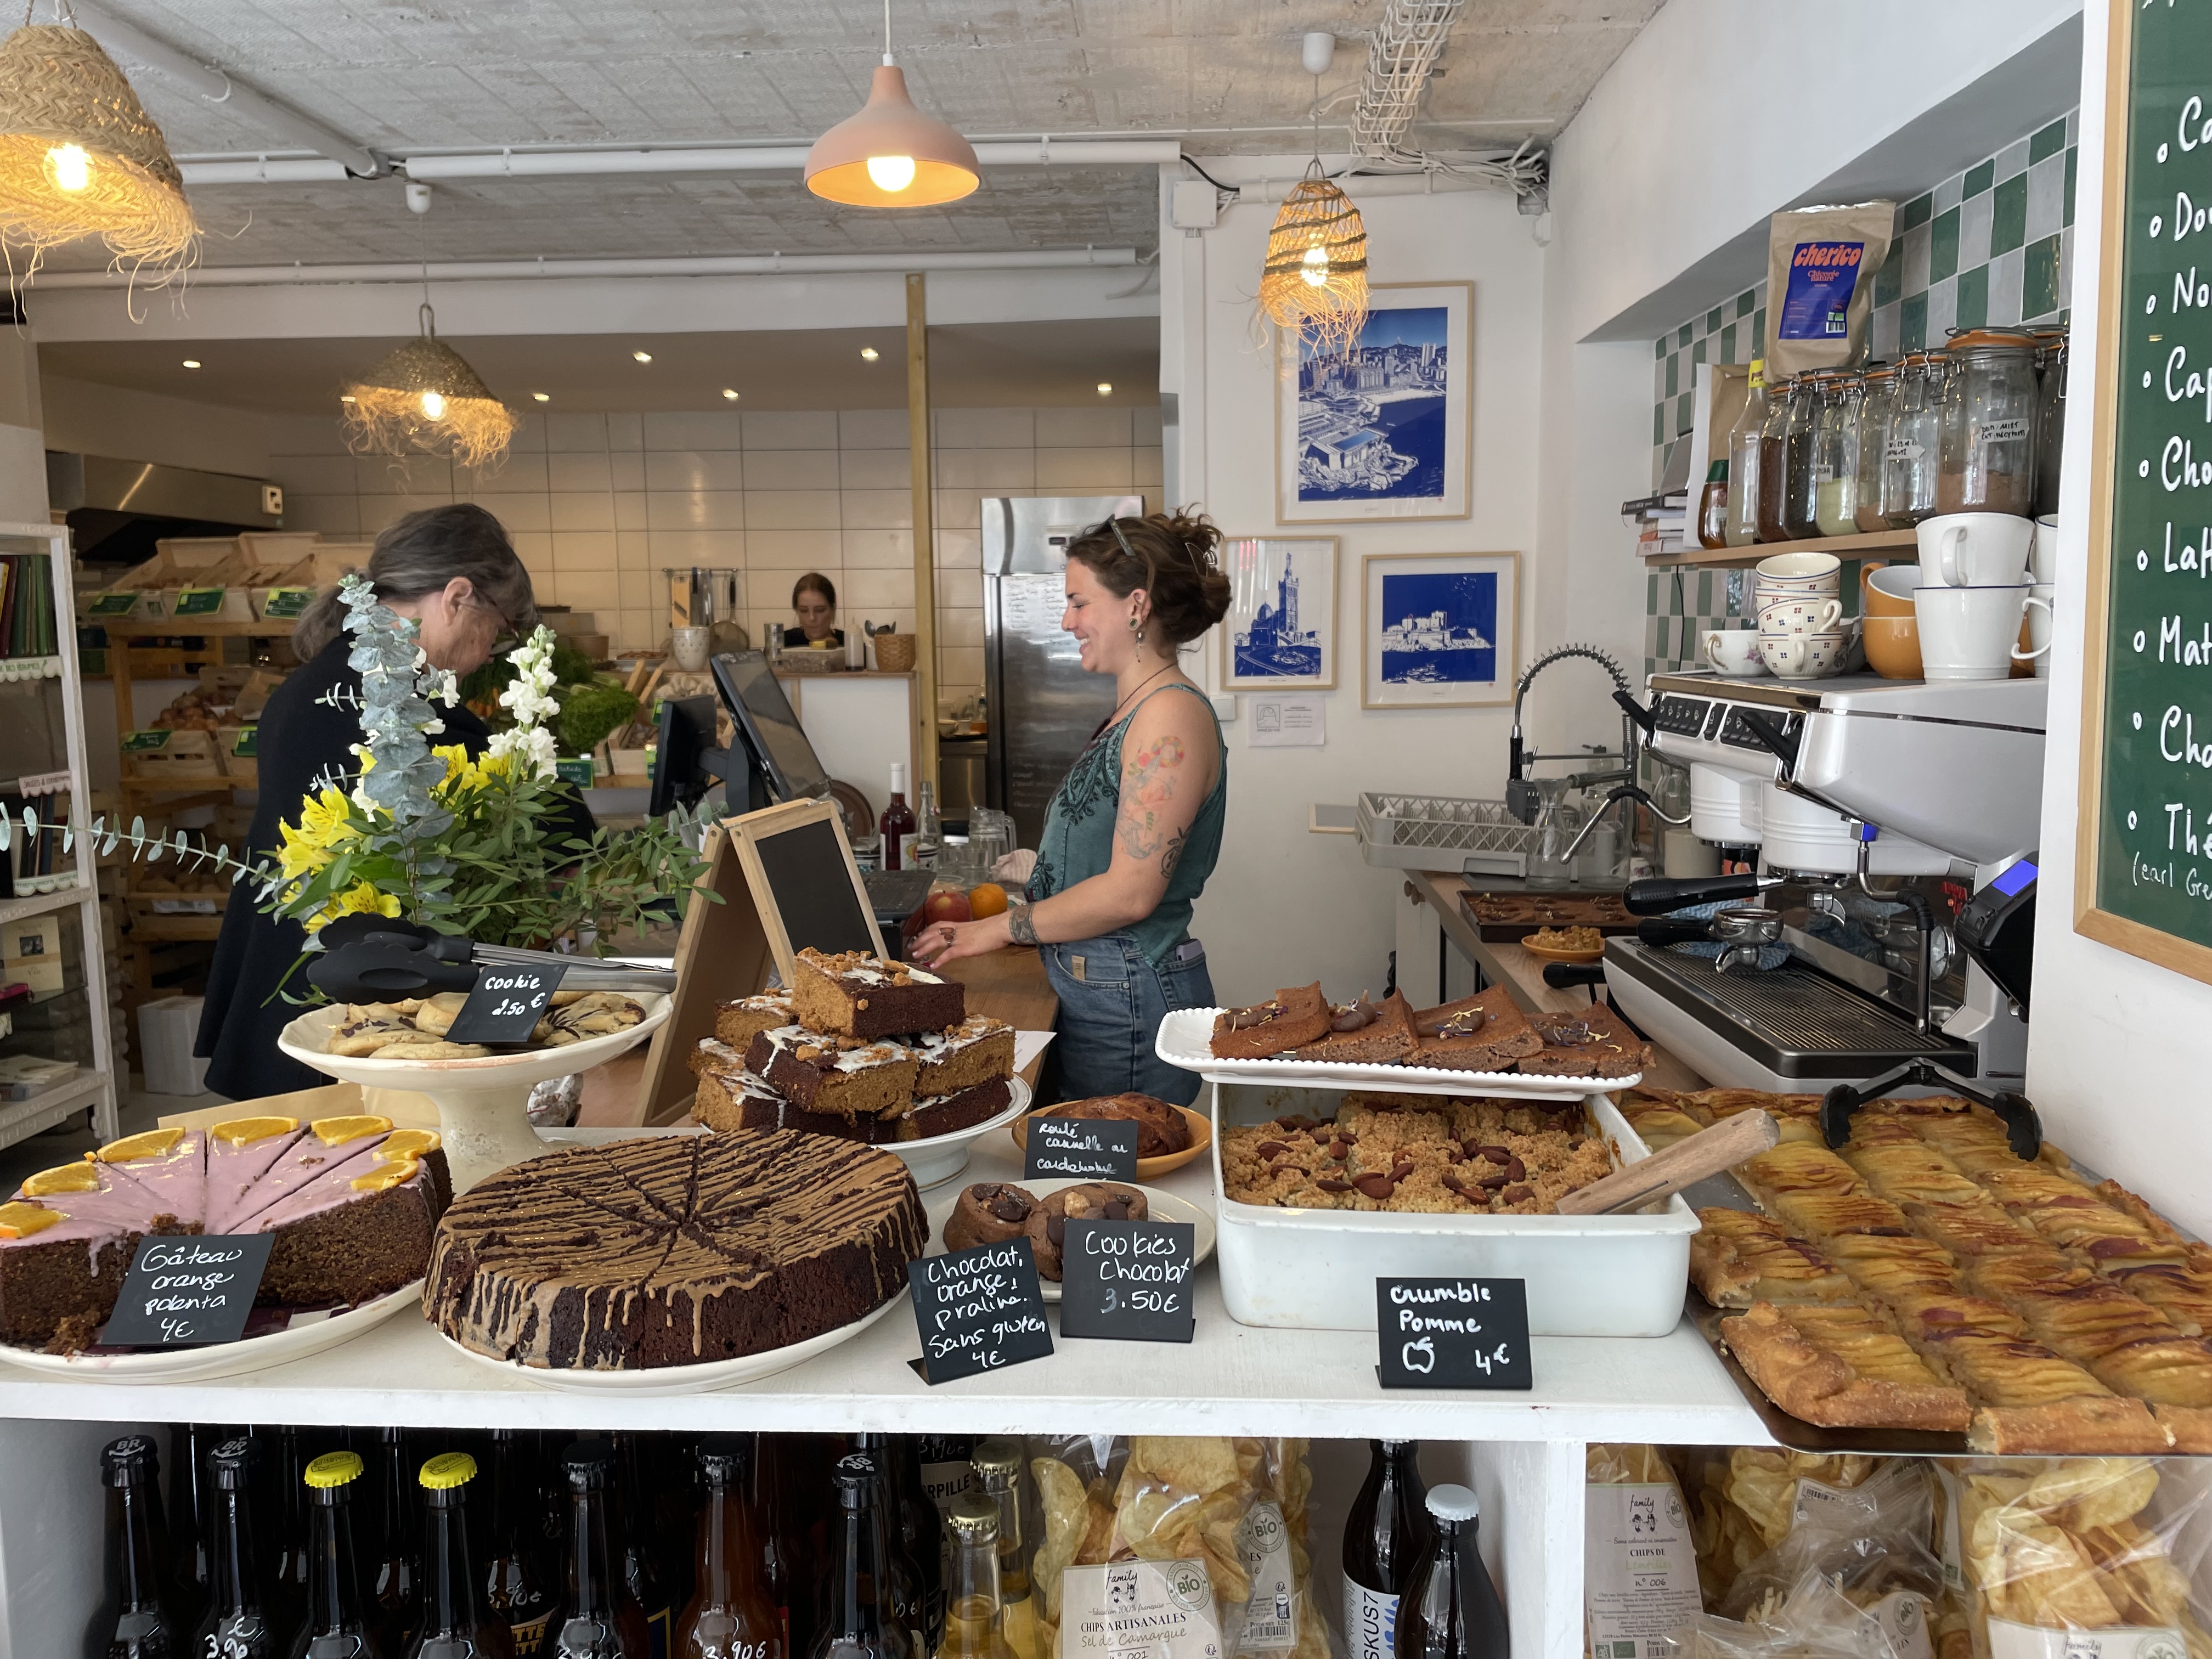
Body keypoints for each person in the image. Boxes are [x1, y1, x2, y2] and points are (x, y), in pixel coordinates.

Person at [195, 504, 558, 1101]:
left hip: (289, 993)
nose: (490, 649)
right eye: (499, 627)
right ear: (457, 598)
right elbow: (550, 832)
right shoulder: (405, 712)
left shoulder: (309, 686)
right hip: (362, 1013)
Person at [912, 511, 1231, 1106]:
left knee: (1118, 1166)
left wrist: (996, 928)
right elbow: (1114, 855)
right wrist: (1044, 870)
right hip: (1106, 989)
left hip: (1128, 996)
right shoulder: (1138, 708)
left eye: (1079, 603)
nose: (1067, 621)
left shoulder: (1169, 716)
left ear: (1136, 606)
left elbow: (1131, 894)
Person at [790, 572, 844, 649]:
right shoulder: (782, 643)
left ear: (833, 609)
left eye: (820, 610)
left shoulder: (851, 643)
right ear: (797, 611)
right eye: (804, 611)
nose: (812, 618)